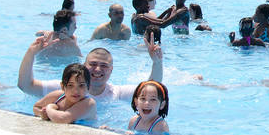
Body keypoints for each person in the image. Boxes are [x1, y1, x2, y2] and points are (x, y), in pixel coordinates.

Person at [19, 32, 163, 102]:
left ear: (111, 70)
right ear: (83, 66)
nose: (98, 70)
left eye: (104, 66)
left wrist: (157, 63)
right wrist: (31, 53)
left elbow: (152, 88)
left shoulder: (116, 93)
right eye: (93, 64)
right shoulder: (65, 88)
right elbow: (25, 86)